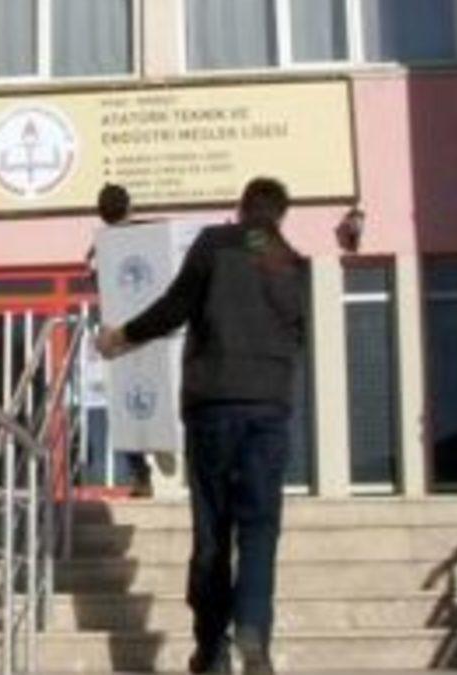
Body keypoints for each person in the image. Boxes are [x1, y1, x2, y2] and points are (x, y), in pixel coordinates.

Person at [96, 177, 306, 674]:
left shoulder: (216, 244)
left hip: (213, 405)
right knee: (259, 527)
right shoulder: (291, 262)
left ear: (242, 207)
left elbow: (176, 306)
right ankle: (253, 629)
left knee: (213, 530)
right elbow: (298, 335)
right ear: (281, 215)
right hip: (267, 409)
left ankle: (212, 650)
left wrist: (122, 336)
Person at [88, 183, 154, 498]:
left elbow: (96, 283)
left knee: (126, 404)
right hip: (154, 329)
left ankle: (141, 474)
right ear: (129, 207)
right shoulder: (148, 236)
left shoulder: (99, 248)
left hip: (118, 336)